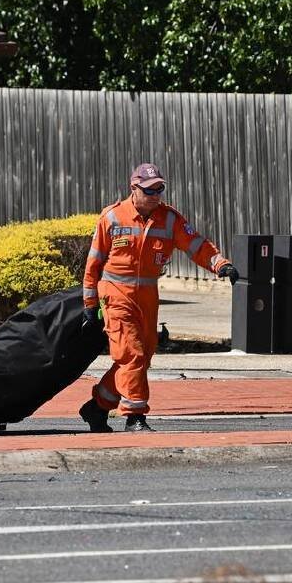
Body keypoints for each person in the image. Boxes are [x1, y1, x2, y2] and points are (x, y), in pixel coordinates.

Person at [80, 163, 239, 432]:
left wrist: (221, 264)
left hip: (147, 297)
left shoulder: (170, 219)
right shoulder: (112, 218)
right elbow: (93, 263)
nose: (156, 195)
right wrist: (90, 304)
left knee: (142, 357)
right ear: (134, 188)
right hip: (116, 295)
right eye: (150, 190)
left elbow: (196, 245)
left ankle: (97, 407)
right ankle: (135, 416)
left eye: (159, 189)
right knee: (132, 354)